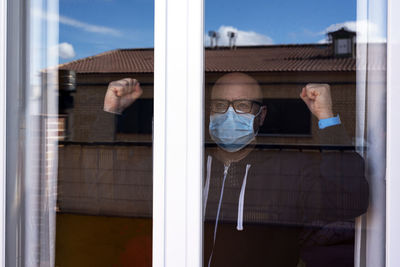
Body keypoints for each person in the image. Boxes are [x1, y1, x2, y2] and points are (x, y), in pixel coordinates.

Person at [104, 73, 369, 267]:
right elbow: (106, 185)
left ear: (261, 115)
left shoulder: (290, 170)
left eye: (242, 105)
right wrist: (109, 115)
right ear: (209, 112)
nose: (229, 114)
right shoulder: (182, 167)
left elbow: (349, 202)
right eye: (220, 105)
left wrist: (327, 120)